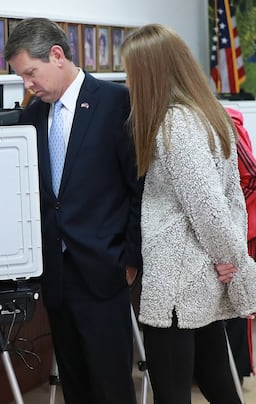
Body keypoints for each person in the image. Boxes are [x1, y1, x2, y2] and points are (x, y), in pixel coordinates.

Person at [3, 18, 142, 404]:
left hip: (105, 269)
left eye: (31, 73)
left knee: (112, 387)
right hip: (58, 278)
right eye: (22, 77)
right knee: (74, 385)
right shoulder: (30, 117)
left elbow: (139, 187)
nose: (28, 85)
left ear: (57, 55)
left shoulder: (116, 102)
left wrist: (130, 259)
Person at [120, 23, 256, 404]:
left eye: (132, 73)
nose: (129, 83)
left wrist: (232, 260)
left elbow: (209, 206)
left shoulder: (176, 124)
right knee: (218, 384)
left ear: (151, 73)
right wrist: (229, 257)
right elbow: (229, 199)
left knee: (173, 392)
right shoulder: (207, 114)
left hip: (178, 283)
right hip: (200, 278)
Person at [225, 106, 256, 385]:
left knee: (238, 302)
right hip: (227, 226)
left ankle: (239, 368)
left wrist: (233, 215)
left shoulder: (227, 126)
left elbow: (252, 177)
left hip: (240, 228)